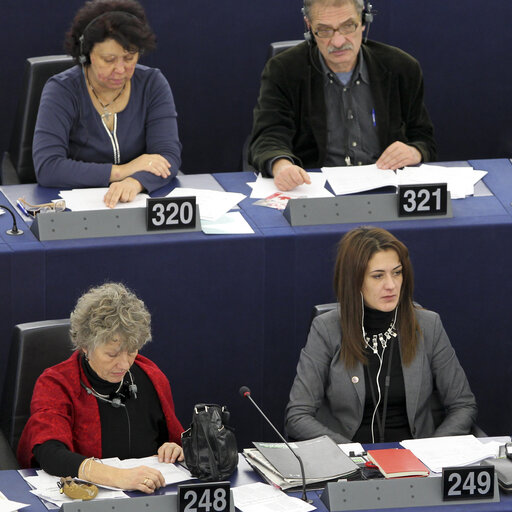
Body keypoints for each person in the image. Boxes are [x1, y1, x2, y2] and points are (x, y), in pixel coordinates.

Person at [285, 226, 477, 444]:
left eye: (397, 272)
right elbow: (297, 416)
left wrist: (430, 451)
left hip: (417, 462)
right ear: (354, 280)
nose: (391, 285)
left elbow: (463, 405)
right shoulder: (326, 329)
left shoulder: (428, 325)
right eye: (378, 276)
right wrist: (354, 456)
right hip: (351, 463)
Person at [248, 0, 436, 191]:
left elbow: (423, 138)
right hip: (315, 189)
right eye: (324, 30)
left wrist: (415, 152)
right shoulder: (284, 71)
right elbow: (268, 137)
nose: (338, 42)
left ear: (363, 21)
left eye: (347, 27)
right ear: (309, 27)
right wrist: (283, 166)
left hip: (385, 187)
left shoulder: (401, 68)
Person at [17, 282, 184, 494]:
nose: (124, 364)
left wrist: (174, 450)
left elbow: (174, 439)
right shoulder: (56, 383)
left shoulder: (151, 377)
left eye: (131, 351)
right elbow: (50, 453)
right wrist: (119, 477)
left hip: (149, 497)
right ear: (85, 346)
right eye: (112, 354)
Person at [33, 0, 182, 208]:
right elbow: (48, 168)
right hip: (76, 205)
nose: (121, 69)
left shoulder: (152, 84)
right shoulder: (62, 90)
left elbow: (167, 156)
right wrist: (122, 171)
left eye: (129, 58)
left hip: (135, 201)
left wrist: (135, 182)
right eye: (109, 59)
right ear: (86, 55)